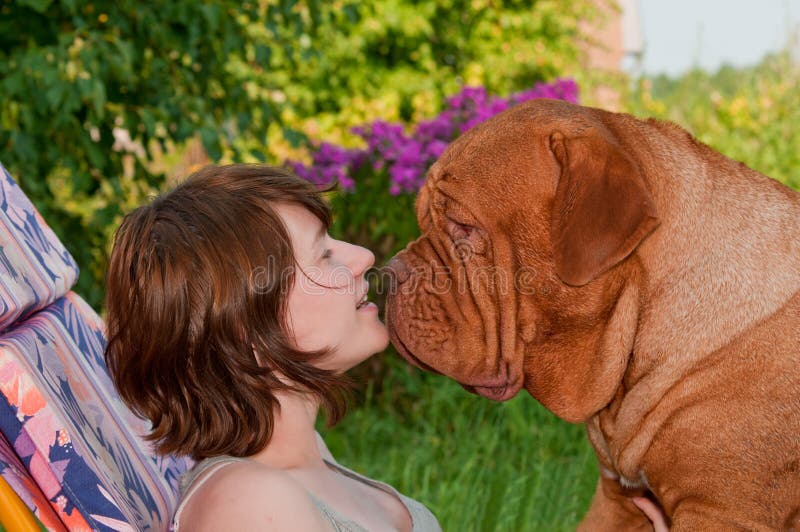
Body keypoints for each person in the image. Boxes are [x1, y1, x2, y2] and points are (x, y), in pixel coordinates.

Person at [103, 163, 667, 531]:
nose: (364, 258)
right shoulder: (247, 508)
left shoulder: (305, 460)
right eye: (323, 255)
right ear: (246, 333)